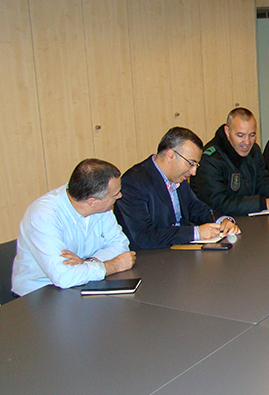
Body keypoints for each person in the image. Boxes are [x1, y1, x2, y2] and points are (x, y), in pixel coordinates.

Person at [11, 159, 136, 296]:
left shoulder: (101, 208)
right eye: (115, 194)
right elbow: (64, 277)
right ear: (92, 202)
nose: (120, 196)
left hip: (81, 285)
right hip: (39, 295)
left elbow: (121, 245)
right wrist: (112, 266)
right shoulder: (43, 216)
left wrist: (88, 263)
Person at [114, 127, 240, 250]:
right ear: (170, 156)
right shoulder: (133, 183)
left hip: (180, 252)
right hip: (152, 258)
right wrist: (196, 233)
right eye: (191, 163)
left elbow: (195, 207)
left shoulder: (178, 176)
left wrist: (222, 221)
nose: (193, 172)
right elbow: (144, 237)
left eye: (196, 165)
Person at [191, 107, 269, 215]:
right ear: (227, 131)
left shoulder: (254, 150)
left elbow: (262, 181)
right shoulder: (210, 159)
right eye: (240, 135)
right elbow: (220, 203)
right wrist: (264, 203)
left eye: (252, 135)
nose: (247, 142)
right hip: (219, 223)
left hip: (249, 216)